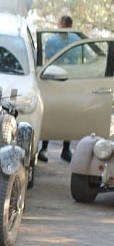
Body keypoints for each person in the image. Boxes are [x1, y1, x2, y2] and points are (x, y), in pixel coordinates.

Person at [39, 15, 80, 163]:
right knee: (50, 112)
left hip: (70, 79)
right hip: (53, 79)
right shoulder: (52, 41)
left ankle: (66, 149)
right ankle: (43, 148)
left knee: (69, 114)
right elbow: (50, 58)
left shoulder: (75, 39)